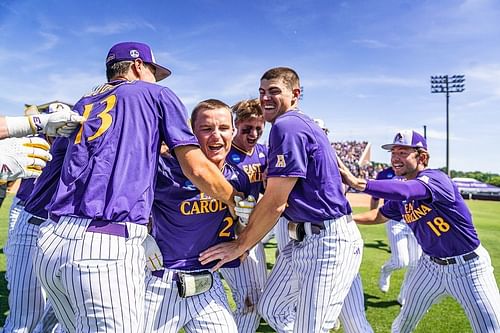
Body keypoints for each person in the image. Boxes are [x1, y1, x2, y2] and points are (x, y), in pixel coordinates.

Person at [33, 42, 239, 332]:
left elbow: (55, 172)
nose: (156, 79)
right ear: (138, 65)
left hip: (51, 239)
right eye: (154, 71)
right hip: (104, 243)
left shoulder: (84, 102)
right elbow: (195, 167)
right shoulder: (156, 94)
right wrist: (234, 199)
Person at [200, 67, 363, 332]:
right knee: (271, 307)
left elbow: (276, 200)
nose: (265, 98)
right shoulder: (296, 125)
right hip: (303, 238)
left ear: (295, 94)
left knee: (308, 326)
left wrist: (240, 245)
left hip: (326, 240)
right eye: (262, 92)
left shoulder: (287, 125)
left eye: (274, 91)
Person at [339, 129, 500, 333]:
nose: (395, 158)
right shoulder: (403, 190)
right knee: (404, 322)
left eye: (403, 153)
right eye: (393, 153)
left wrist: (358, 183)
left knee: (491, 329)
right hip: (429, 266)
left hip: (469, 268)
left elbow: (406, 191)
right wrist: (348, 219)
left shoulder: (436, 179)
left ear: (422, 157)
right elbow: (380, 215)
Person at [143, 99, 250, 332]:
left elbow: (243, 230)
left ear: (233, 131)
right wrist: (142, 236)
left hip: (208, 284)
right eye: (206, 129)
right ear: (191, 134)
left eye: (223, 128)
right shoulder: (163, 168)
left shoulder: (238, 178)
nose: (216, 136)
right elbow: (124, 200)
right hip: (160, 282)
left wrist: (242, 242)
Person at [220, 98, 268, 333]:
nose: (254, 134)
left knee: (253, 298)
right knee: (249, 300)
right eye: (247, 129)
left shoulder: (264, 153)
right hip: (225, 234)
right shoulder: (223, 153)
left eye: (259, 128)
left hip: (250, 233)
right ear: (235, 125)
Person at [371, 166, 421, 306]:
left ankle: (403, 296)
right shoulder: (384, 174)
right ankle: (385, 270)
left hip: (415, 220)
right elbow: (375, 196)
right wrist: (373, 214)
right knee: (401, 261)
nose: (398, 157)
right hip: (394, 220)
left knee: (415, 264)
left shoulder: (420, 174)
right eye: (395, 152)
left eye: (403, 152)